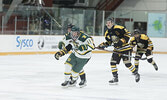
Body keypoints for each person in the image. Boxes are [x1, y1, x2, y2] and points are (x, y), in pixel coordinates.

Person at [97, 18, 140, 84]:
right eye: (107, 23)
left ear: (112, 23)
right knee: (112, 63)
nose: (108, 24)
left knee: (127, 63)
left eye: (109, 22)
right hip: (117, 50)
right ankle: (115, 78)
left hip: (125, 48)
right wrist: (102, 45)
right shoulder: (107, 33)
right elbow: (109, 42)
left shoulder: (119, 28)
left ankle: (136, 74)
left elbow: (128, 34)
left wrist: (121, 41)